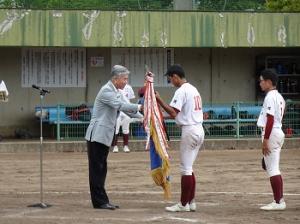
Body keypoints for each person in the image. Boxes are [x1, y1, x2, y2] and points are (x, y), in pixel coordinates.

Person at [85, 65, 142, 210]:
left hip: (103, 136)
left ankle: (102, 200)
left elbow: (127, 107)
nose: (126, 82)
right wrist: (141, 107)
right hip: (97, 135)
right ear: (116, 79)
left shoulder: (116, 90)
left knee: (102, 168)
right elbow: (121, 106)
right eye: (124, 79)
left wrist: (144, 118)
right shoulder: (106, 90)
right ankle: (99, 202)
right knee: (97, 168)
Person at [155, 64, 205, 212]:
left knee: (186, 169)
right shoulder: (193, 89)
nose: (171, 82)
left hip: (190, 130)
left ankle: (184, 204)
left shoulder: (182, 90)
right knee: (189, 168)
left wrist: (159, 100)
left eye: (170, 79)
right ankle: (190, 201)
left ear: (175, 77)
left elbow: (173, 112)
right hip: (198, 129)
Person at [257, 69, 286, 211]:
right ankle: (279, 200)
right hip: (278, 131)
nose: (260, 83)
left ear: (269, 82)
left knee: (273, 169)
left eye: (262, 80)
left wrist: (265, 140)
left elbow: (270, 120)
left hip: (272, 133)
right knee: (271, 166)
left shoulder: (270, 96)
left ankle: (278, 201)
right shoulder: (279, 97)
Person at [112, 84, 135, 153]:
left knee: (126, 128)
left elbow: (130, 99)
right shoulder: (114, 87)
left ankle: (126, 146)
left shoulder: (129, 87)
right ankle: (115, 146)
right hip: (118, 110)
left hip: (126, 110)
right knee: (116, 129)